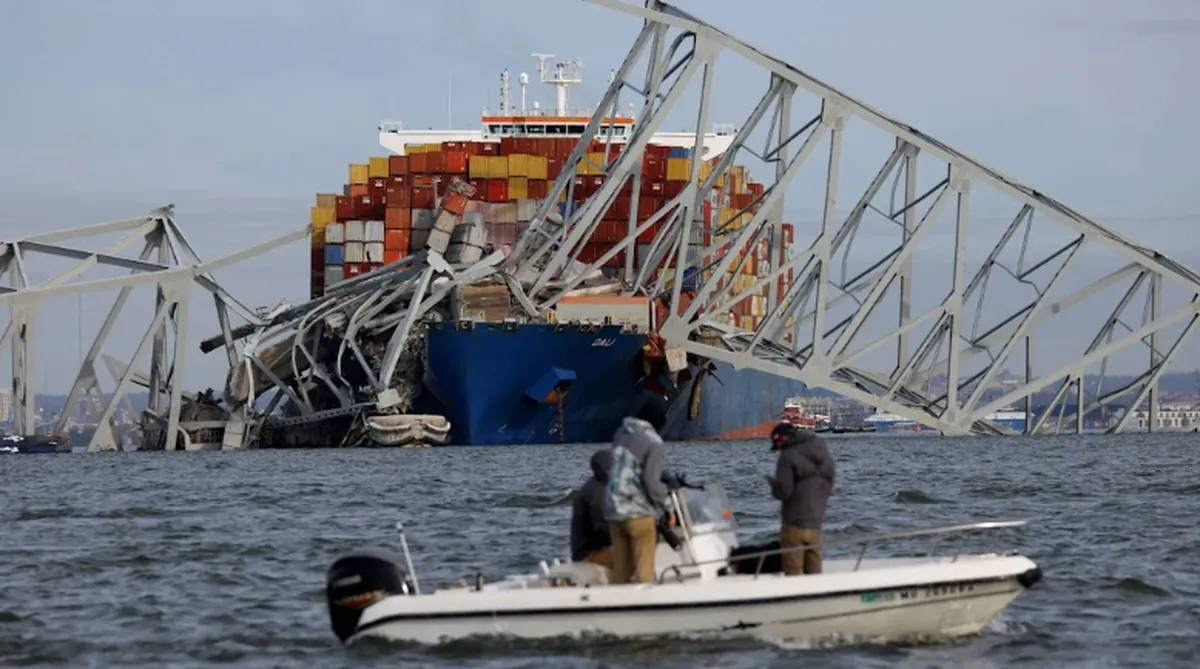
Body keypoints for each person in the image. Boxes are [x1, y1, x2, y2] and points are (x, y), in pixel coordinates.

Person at [604, 398, 674, 584]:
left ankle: (618, 609)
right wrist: (668, 506)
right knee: (645, 572)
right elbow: (651, 482)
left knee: (621, 573)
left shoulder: (621, 433)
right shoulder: (654, 442)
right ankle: (646, 609)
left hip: (613, 511)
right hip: (638, 513)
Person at [766, 422, 835, 576]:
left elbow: (784, 491)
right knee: (815, 572)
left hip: (794, 524)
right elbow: (829, 482)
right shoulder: (823, 451)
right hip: (816, 522)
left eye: (777, 445)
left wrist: (774, 486)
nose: (779, 449)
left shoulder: (787, 456)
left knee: (793, 573)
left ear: (782, 439)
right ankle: (818, 599)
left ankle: (796, 600)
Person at [569, 448, 615, 568]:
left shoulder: (596, 486)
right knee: (630, 555)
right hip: (589, 555)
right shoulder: (597, 493)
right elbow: (600, 530)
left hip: (587, 551)